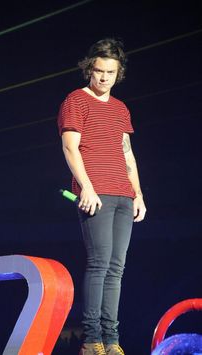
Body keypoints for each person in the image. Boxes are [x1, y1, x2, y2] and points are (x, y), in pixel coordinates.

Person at [57, 38, 146, 355]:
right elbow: (70, 146)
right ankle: (92, 340)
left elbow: (127, 153)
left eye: (110, 72)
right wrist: (87, 187)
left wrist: (138, 194)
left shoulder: (121, 108)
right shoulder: (76, 101)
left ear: (118, 73)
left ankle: (112, 341)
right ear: (89, 69)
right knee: (98, 264)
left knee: (116, 268)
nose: (104, 77)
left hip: (123, 194)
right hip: (96, 194)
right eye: (98, 71)